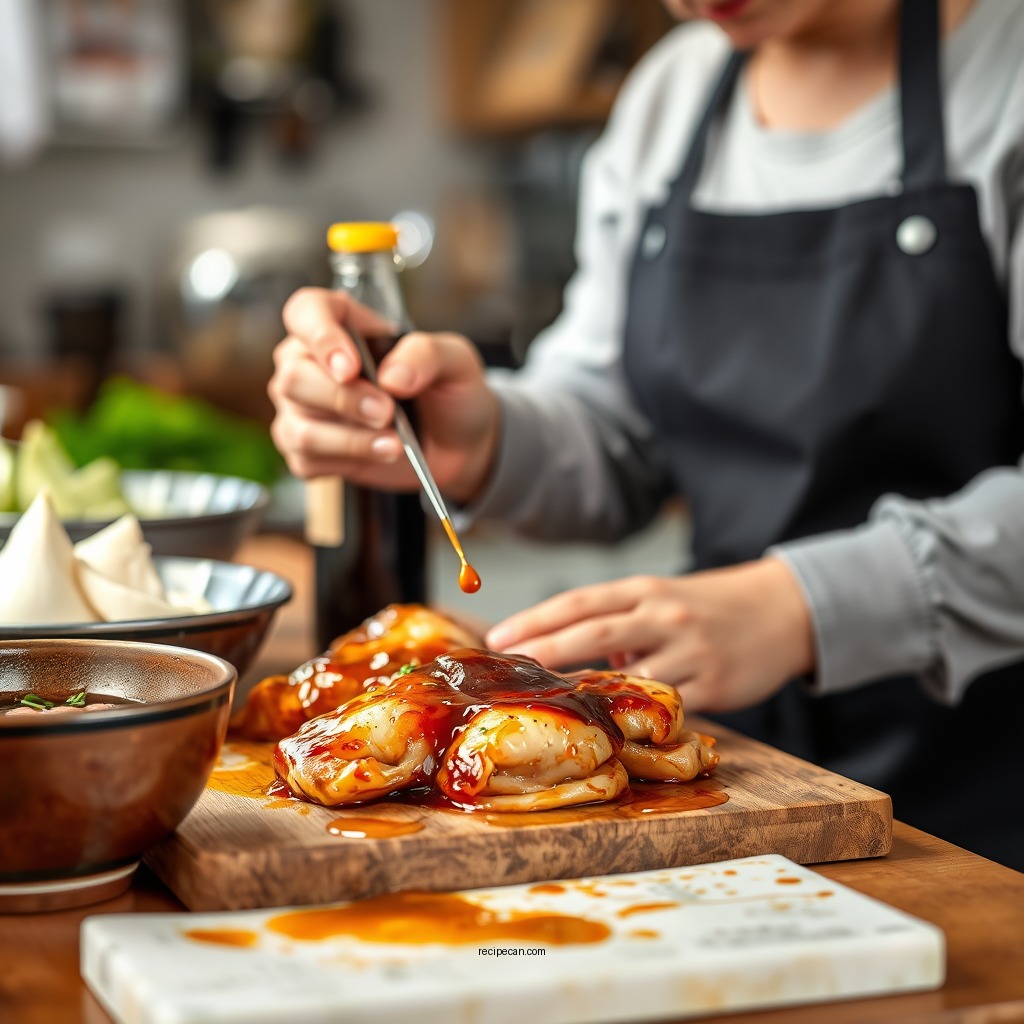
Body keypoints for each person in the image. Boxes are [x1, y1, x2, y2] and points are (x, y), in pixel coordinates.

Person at [268, 0, 1024, 870]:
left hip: (987, 801)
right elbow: (619, 428)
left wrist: (801, 608)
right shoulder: (674, 93)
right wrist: (487, 442)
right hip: (740, 774)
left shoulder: (1003, 75)